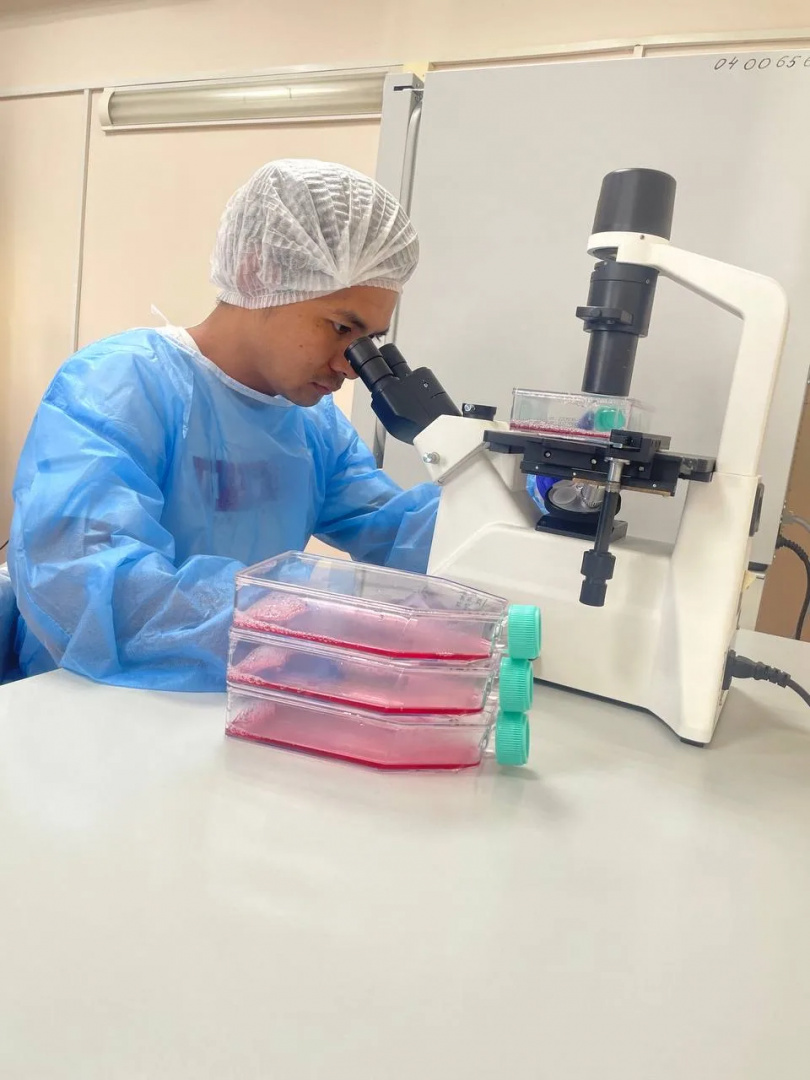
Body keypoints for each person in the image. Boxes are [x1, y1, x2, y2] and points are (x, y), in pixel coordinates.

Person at [8, 159, 439, 691]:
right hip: (90, 703)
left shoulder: (315, 428)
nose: (352, 364)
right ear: (259, 272)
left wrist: (494, 501)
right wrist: (291, 611)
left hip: (235, 698)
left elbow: (401, 532)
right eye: (340, 327)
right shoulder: (119, 387)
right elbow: (88, 589)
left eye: (369, 340)